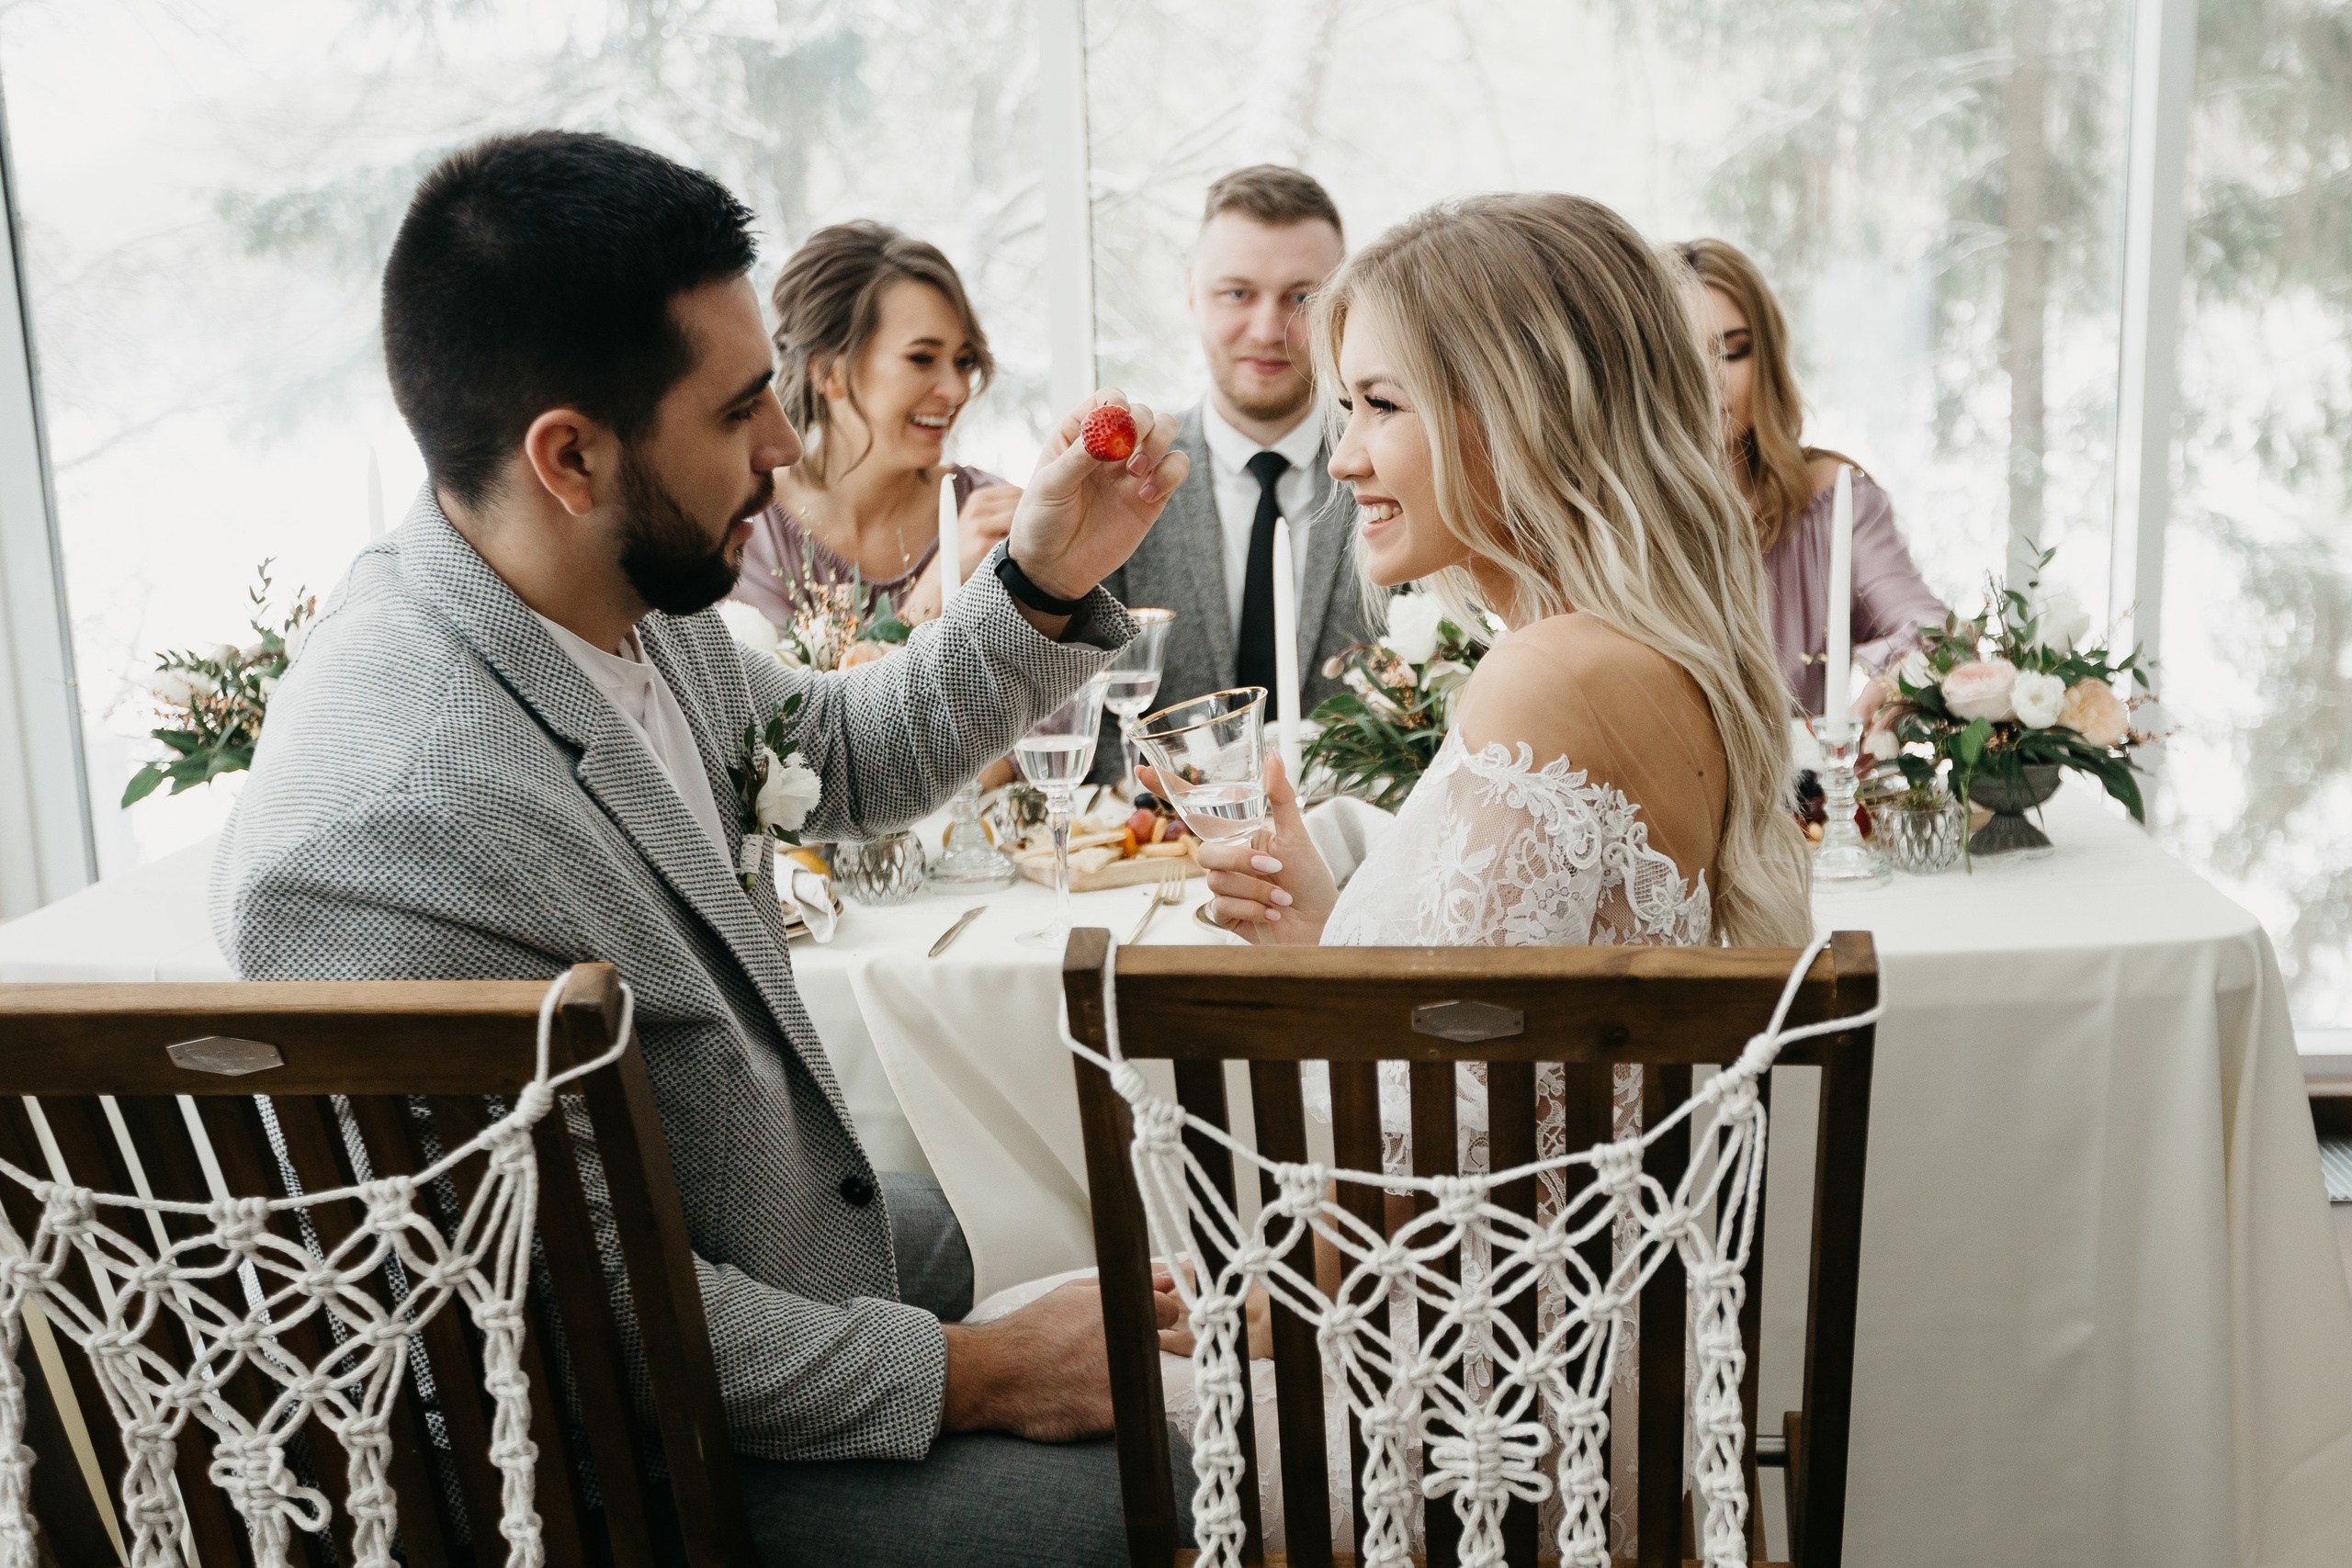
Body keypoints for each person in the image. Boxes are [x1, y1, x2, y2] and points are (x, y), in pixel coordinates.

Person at [210, 130, 1194, 1566]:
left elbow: (843, 754)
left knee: (1032, 1219)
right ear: (571, 454)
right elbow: (576, 1314)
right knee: (1128, 1494)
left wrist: (1039, 578)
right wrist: (982, 1374)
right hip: (597, 1457)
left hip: (732, 1241)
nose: (789, 445)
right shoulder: (392, 825)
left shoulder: (625, 582)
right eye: (742, 410)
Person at [1091, 164, 1376, 784]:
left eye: (1302, 298)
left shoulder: (1396, 474)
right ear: (1193, 293)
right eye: (1237, 294)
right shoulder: (1119, 481)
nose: (1268, 330)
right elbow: (1083, 725)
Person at [1676, 236, 1949, 719]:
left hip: (1806, 792)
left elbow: (1929, 632)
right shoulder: (1612, 513)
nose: (1708, 379)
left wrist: (1892, 686)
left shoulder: (1833, 500)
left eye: (1732, 352)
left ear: (1768, 363)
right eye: (1682, 355)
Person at [729, 220, 1019, 635]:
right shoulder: (745, 532)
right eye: (922, 358)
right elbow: (778, 701)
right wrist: (934, 593)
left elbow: (1057, 698)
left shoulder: (990, 519)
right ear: (829, 372)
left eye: (965, 361)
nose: (957, 390)